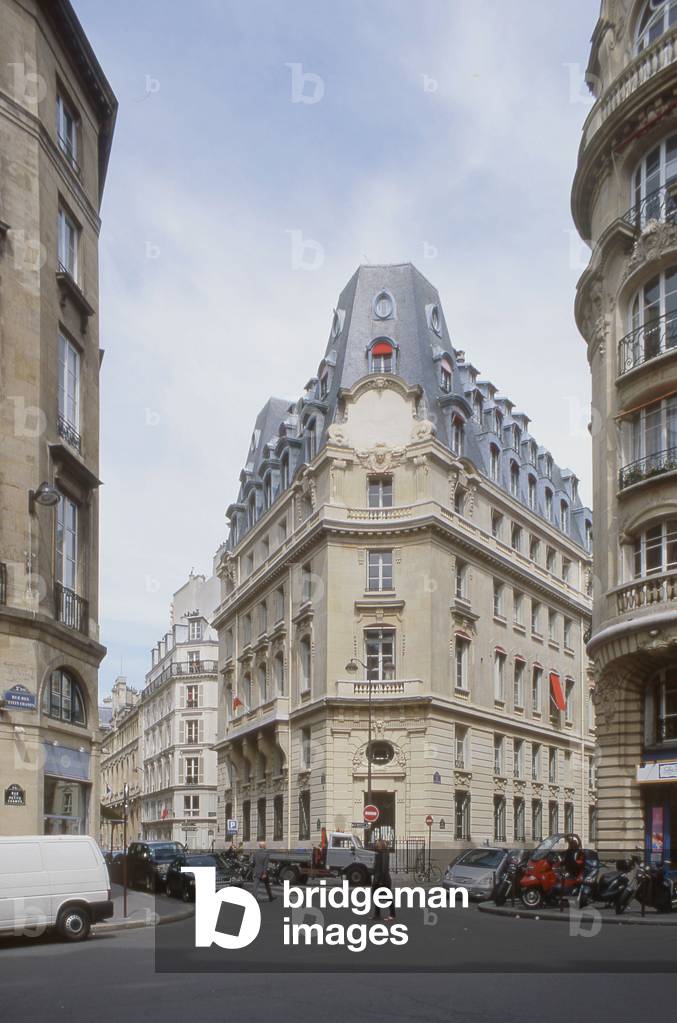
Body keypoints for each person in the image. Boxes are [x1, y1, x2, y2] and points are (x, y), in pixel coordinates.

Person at [370, 839, 395, 922]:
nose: (376, 845)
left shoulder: (383, 854)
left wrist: (381, 881)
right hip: (379, 878)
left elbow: (383, 868)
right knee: (376, 896)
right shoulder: (380, 853)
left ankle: (392, 914)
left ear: (381, 846)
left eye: (377, 844)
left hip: (383, 879)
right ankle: (377, 914)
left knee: (387, 897)